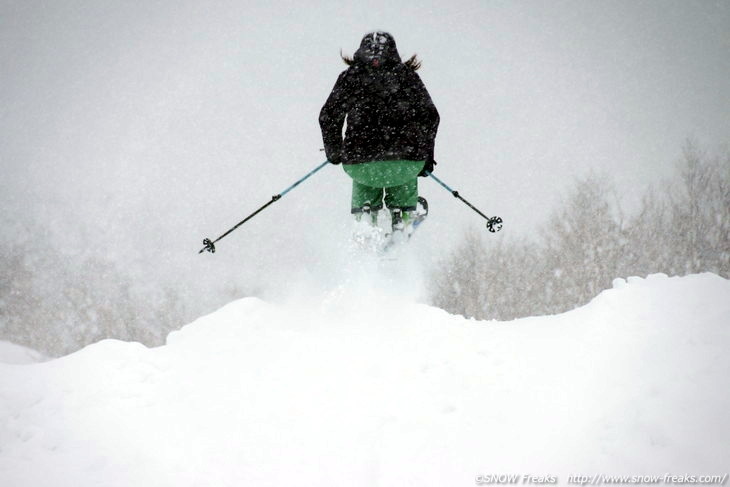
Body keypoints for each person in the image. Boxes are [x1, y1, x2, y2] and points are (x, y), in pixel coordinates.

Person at [319, 31, 440, 234]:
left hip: (361, 161)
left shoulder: (351, 77)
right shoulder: (407, 77)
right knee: (403, 182)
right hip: (405, 160)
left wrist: (335, 150)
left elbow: (329, 116)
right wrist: (427, 156)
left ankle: (365, 221)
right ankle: (404, 215)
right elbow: (429, 116)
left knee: (365, 182)